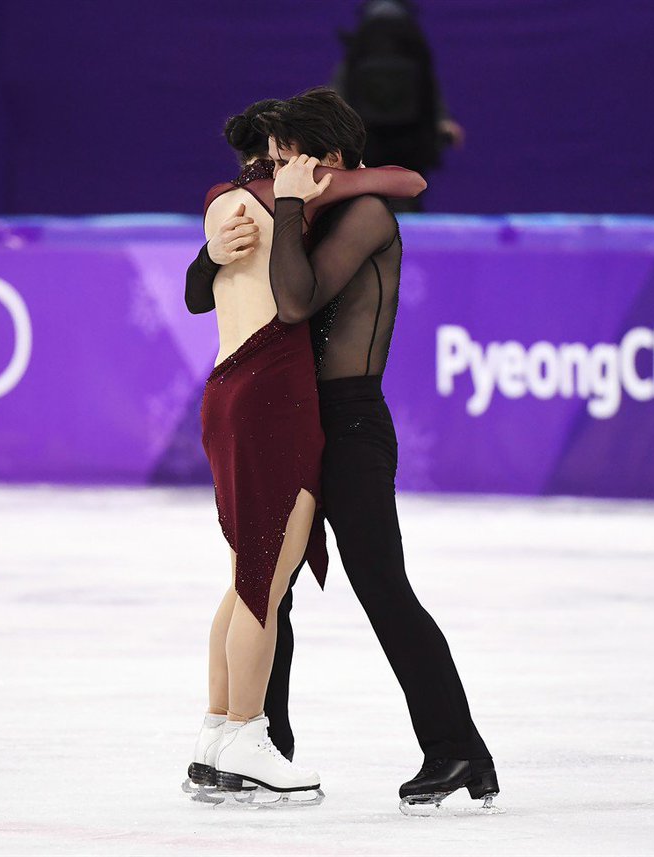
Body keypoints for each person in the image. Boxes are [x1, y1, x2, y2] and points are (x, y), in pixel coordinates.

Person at [186, 88, 498, 814]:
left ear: (328, 157)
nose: (276, 168)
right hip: (294, 417)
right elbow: (211, 292)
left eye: (289, 156)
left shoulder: (364, 215)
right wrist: (209, 254)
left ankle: (456, 745)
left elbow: (295, 298)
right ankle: (262, 739)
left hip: (350, 425)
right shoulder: (314, 207)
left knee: (380, 585)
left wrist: (289, 209)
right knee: (270, 582)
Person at [329, 0, 463, 212]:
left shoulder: (363, 39)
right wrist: (442, 120)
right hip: (410, 136)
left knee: (366, 198)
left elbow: (344, 82)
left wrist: (332, 123)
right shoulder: (410, 37)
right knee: (406, 194)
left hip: (367, 135)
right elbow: (427, 84)